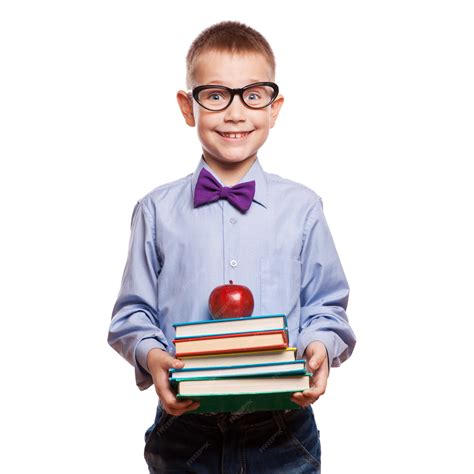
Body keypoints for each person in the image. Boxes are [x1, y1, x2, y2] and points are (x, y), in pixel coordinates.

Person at [108, 20, 356, 473]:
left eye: (253, 95)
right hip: (185, 428)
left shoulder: (303, 208)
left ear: (274, 107)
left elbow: (326, 304)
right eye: (216, 95)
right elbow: (130, 314)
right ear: (189, 107)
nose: (236, 113)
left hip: (283, 429)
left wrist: (320, 343)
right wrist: (152, 354)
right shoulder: (156, 211)